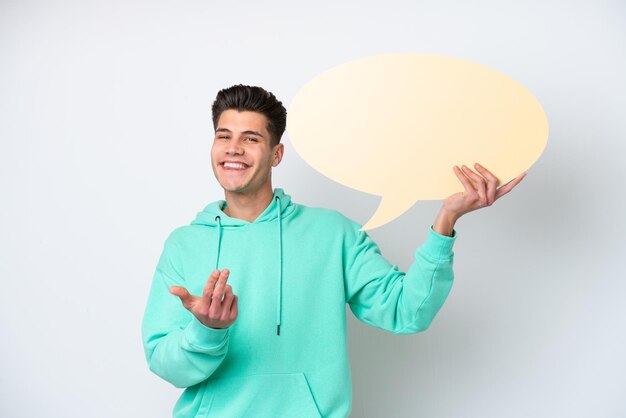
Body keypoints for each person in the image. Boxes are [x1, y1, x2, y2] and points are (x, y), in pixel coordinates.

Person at [141, 84, 526, 418]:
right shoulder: (185, 244)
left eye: (251, 138)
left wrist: (446, 219)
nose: (234, 149)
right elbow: (166, 364)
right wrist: (206, 331)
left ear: (276, 154)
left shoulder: (332, 233)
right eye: (224, 136)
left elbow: (407, 311)